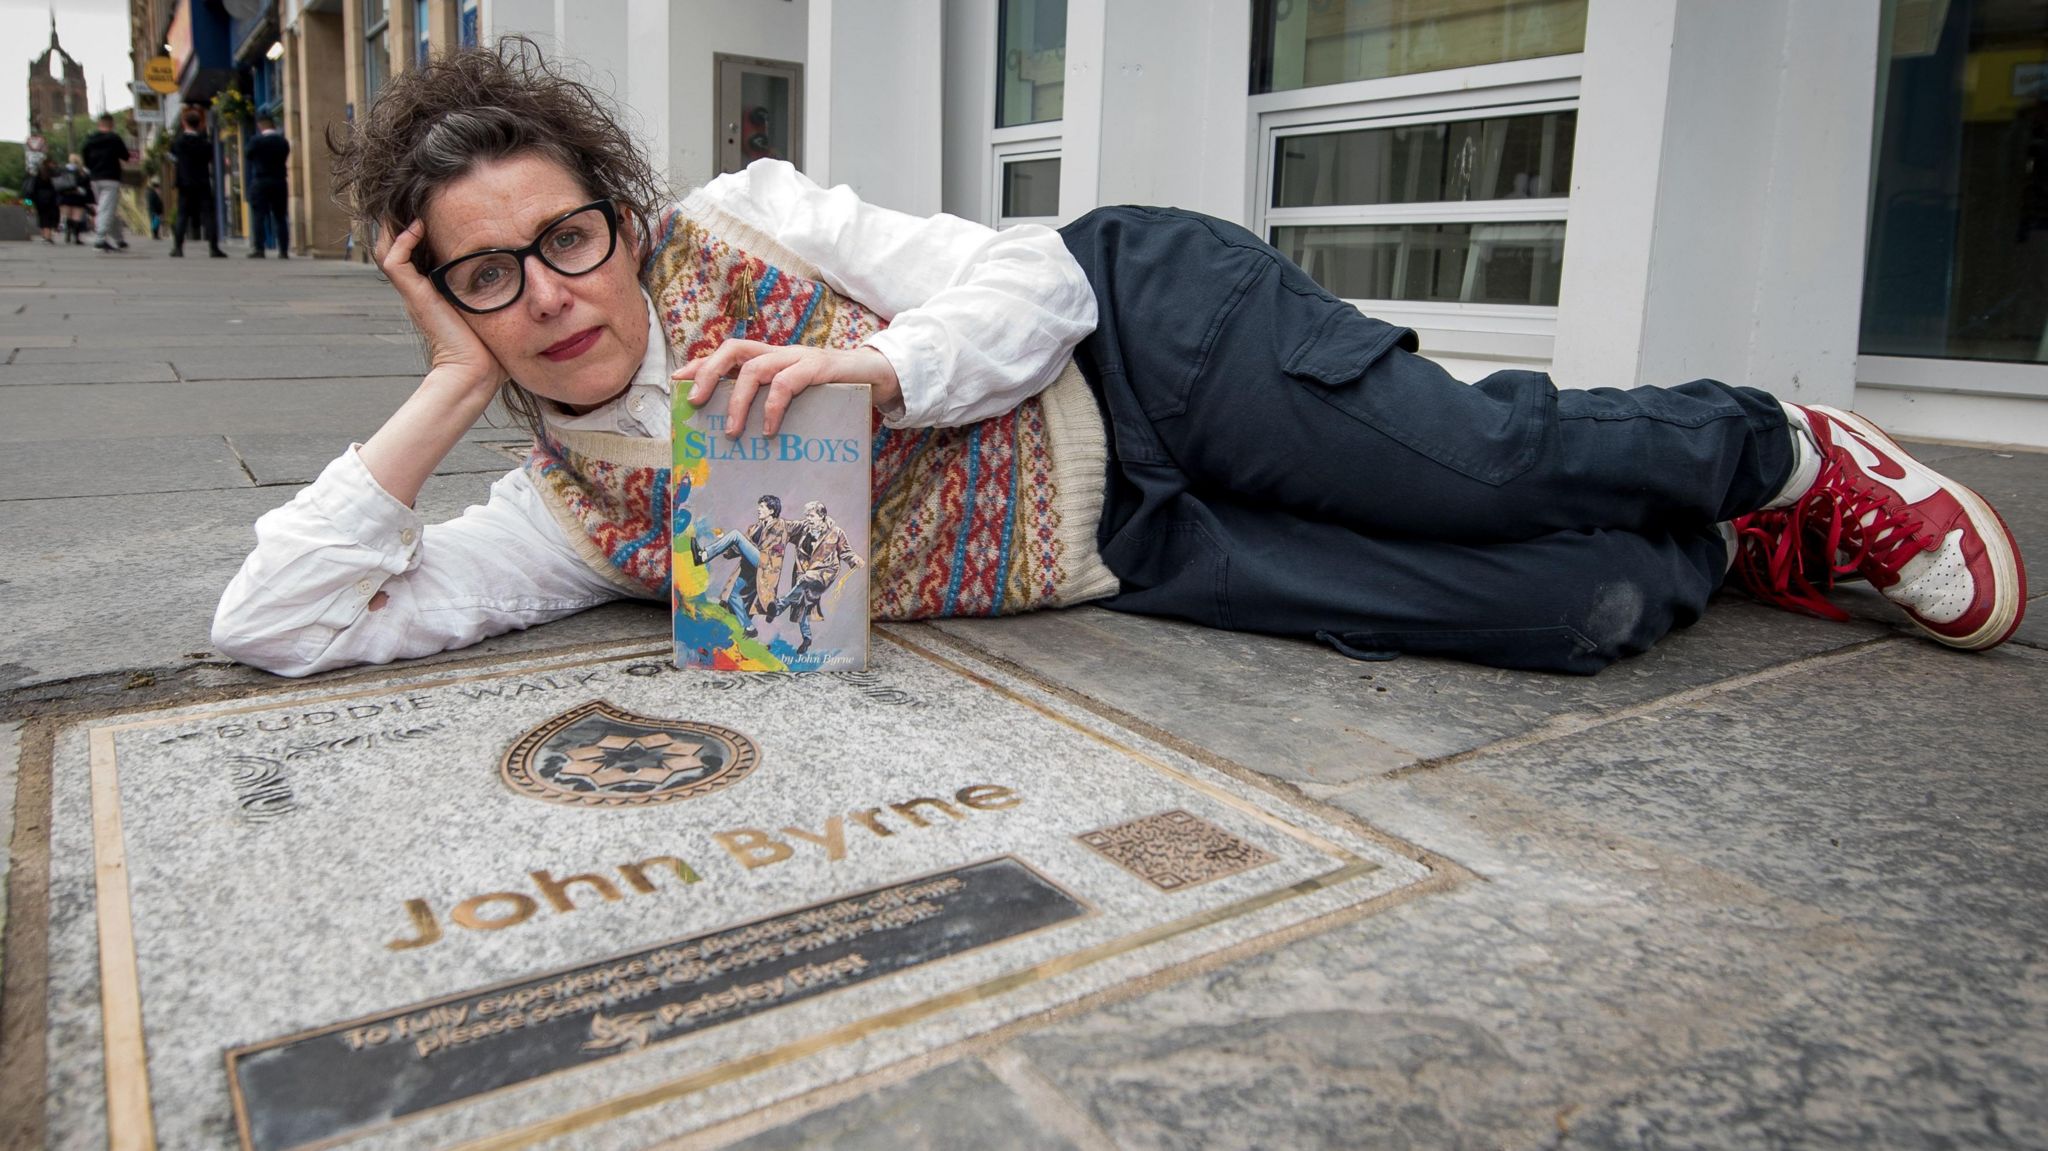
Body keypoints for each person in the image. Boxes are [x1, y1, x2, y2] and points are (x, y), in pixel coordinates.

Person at [212, 42, 2027, 679]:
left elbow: (1023, 285)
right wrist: (447, 391)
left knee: (1466, 466)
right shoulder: (569, 512)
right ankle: (1720, 543)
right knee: (1574, 614)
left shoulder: (751, 221)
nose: (546, 291)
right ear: (443, 294)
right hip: (1115, 541)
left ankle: (1772, 449)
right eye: (484, 278)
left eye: (564, 234)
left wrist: (875, 378)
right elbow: (280, 624)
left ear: (615, 208)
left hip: (1143, 341)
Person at [692, 496, 796, 638]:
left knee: (735, 534)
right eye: (759, 506)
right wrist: (723, 542)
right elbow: (737, 548)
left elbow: (775, 547)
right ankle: (749, 627)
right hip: (752, 568)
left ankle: (703, 555)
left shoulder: (781, 525)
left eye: (762, 507)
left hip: (765, 564)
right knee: (734, 594)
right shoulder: (754, 528)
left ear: (771, 510)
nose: (758, 509)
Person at [767, 502, 863, 654]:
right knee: (801, 605)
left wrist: (854, 559)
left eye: (811, 516)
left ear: (822, 516)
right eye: (807, 515)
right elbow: (786, 526)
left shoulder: (836, 532)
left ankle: (780, 605)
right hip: (803, 572)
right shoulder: (804, 528)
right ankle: (807, 638)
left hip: (825, 572)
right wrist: (770, 518)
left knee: (807, 579)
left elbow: (846, 552)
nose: (808, 519)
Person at [170, 105, 226, 258]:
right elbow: (210, 158)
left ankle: (178, 248)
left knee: (182, 215)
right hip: (202, 182)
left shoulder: (178, 143)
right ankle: (214, 248)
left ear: (184, 124)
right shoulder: (205, 144)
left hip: (185, 183)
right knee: (208, 215)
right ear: (199, 124)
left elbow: (173, 155)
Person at [81, 113, 130, 252]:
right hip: (111, 177)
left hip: (95, 178)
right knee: (106, 208)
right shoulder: (114, 138)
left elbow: (85, 158)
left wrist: (92, 167)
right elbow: (125, 156)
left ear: (99, 124)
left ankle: (119, 239)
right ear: (112, 125)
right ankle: (100, 239)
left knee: (108, 208)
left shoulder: (89, 140)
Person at [244, 115, 292, 258]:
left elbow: (248, 155)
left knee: (259, 216)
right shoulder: (282, 142)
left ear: (260, 126)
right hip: (279, 181)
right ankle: (283, 250)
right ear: (273, 126)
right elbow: (285, 154)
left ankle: (259, 249)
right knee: (280, 216)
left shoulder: (256, 141)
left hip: (261, 180)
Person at [56, 154, 93, 244]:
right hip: (78, 196)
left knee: (67, 216)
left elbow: (58, 182)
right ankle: (76, 237)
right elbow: (88, 184)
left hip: (65, 195)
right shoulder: (83, 171)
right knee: (76, 217)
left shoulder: (63, 170)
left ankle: (68, 231)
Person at [25, 158, 61, 244]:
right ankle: (48, 236)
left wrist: (29, 201)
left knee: (42, 216)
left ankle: (44, 235)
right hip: (52, 197)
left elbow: (31, 188)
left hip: (39, 198)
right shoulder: (54, 173)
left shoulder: (37, 173)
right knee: (50, 217)